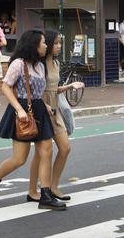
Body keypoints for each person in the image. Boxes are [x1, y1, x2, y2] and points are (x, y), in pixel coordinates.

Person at [0, 29, 66, 211]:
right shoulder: (18, 64)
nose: (46, 45)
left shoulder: (40, 66)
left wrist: (46, 107)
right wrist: (19, 110)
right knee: (19, 159)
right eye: (43, 42)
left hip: (39, 110)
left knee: (46, 151)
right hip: (22, 111)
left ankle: (45, 195)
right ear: (34, 45)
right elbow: (5, 87)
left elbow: (38, 93)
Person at [28, 30, 84, 202]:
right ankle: (32, 191)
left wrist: (70, 86)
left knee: (65, 148)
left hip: (55, 109)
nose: (59, 46)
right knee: (41, 153)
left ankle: (53, 186)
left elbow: (54, 89)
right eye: (56, 43)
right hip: (42, 110)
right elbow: (33, 90)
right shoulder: (39, 65)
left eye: (60, 43)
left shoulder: (57, 64)